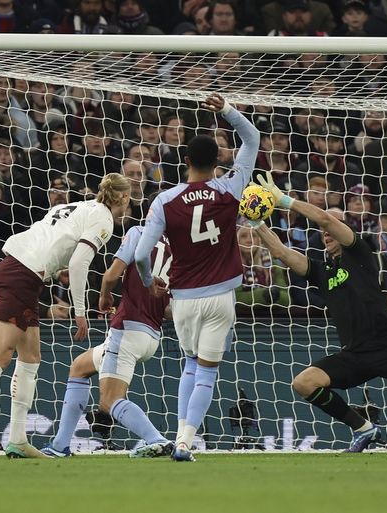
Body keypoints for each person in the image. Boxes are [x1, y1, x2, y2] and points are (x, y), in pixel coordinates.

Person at [249, 172, 387, 452]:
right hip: (354, 353)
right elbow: (281, 252)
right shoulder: (321, 271)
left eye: (331, 229)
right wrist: (256, 223)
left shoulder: (359, 252)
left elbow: (325, 219)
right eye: (323, 233)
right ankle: (364, 428)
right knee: (304, 383)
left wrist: (286, 201)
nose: (325, 233)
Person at [0, 173, 132, 459]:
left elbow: (52, 243)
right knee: (0, 354)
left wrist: (54, 270)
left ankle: (18, 439)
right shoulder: (104, 219)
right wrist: (81, 311)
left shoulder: (75, 207)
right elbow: (79, 261)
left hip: (23, 271)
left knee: (31, 357)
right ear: (123, 198)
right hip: (22, 273)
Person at [135, 92, 259, 461]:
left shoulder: (164, 200)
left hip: (183, 299)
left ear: (185, 161)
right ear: (219, 160)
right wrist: (226, 110)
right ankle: (186, 442)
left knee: (189, 365)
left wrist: (148, 281)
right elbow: (252, 139)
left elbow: (142, 254)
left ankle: (179, 436)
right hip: (221, 296)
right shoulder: (230, 188)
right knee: (207, 370)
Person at [42, 224, 172, 458]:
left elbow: (112, 274)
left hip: (128, 329)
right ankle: (60, 445)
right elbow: (170, 309)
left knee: (109, 400)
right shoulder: (180, 249)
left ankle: (156, 439)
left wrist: (104, 295)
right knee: (79, 367)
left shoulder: (139, 233)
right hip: (152, 336)